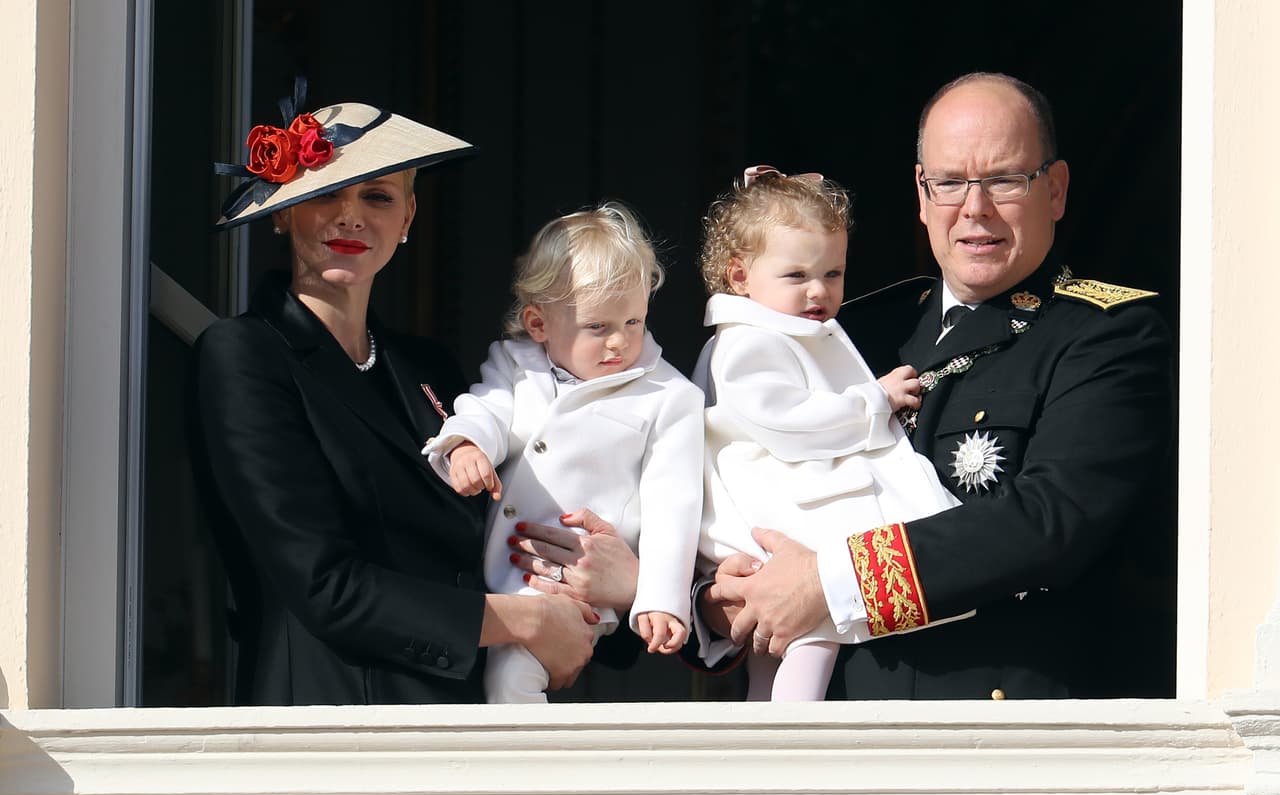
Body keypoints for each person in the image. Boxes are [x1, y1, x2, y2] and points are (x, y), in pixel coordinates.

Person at [698, 71, 1173, 706]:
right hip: (818, 738)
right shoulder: (844, 330)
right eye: (950, 182)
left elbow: (1049, 520)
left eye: (1004, 179)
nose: (974, 210)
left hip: (990, 743)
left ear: (1055, 190)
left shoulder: (1107, 333)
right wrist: (716, 594)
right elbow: (727, 454)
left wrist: (832, 582)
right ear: (921, 195)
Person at [191, 87, 606, 735]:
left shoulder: (427, 369)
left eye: (377, 197)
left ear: (408, 216)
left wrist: (609, 580)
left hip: (469, 733)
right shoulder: (244, 355)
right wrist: (522, 620)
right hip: (333, 744)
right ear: (281, 213)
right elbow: (325, 586)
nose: (351, 216)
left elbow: (501, 541)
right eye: (327, 193)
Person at [693, 166, 962, 701]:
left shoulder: (784, 332)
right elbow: (790, 424)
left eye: (833, 274)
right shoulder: (748, 343)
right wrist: (873, 401)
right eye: (796, 276)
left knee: (778, 646)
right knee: (814, 628)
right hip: (781, 512)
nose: (818, 291)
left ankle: (767, 739)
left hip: (787, 503)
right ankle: (792, 738)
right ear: (740, 276)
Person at [424, 202, 705, 703]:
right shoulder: (516, 363)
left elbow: (673, 507)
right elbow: (486, 408)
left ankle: (527, 778)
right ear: (538, 323)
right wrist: (465, 444)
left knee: (511, 680)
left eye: (634, 322)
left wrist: (661, 599)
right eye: (597, 327)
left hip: (575, 585)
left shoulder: (670, 395)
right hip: (492, 573)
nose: (620, 342)